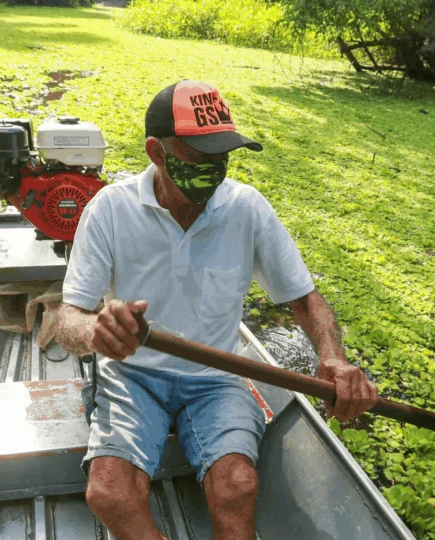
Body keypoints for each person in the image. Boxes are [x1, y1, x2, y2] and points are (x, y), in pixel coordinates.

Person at [54, 80, 379, 540]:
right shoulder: (110, 209)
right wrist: (96, 333)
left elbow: (305, 298)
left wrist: (333, 356)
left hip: (215, 377)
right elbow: (68, 319)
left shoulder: (246, 209)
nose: (213, 170)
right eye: (197, 159)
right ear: (156, 151)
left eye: (221, 157)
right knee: (110, 494)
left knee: (238, 486)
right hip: (132, 375)